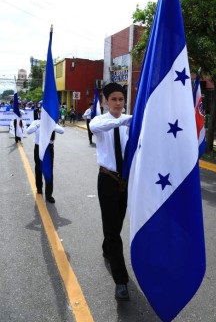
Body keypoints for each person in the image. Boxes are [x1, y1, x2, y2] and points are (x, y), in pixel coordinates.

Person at [89, 83, 132, 301]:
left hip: (125, 181)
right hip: (107, 179)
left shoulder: (130, 121)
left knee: (117, 225)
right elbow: (97, 128)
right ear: (106, 102)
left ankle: (107, 246)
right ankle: (121, 281)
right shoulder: (100, 120)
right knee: (113, 231)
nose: (117, 103)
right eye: (113, 99)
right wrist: (129, 119)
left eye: (121, 99)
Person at [26, 111, 64, 203]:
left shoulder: (52, 123)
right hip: (39, 148)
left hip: (48, 149)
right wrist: (39, 125)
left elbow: (62, 131)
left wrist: (52, 125)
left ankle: (49, 194)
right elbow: (28, 131)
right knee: (38, 169)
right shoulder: (36, 122)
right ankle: (39, 188)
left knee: (49, 171)